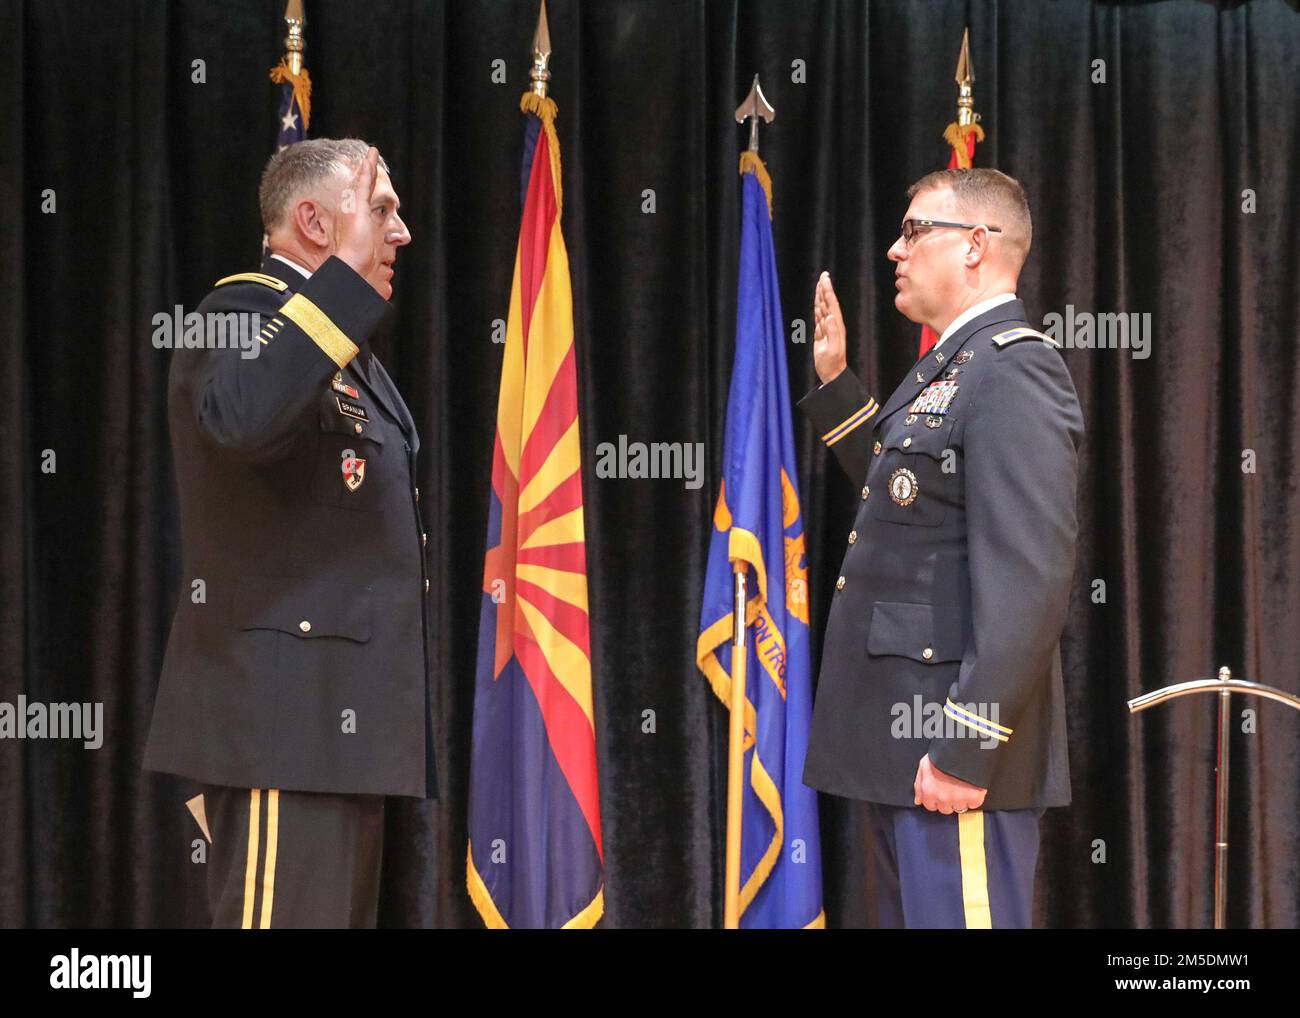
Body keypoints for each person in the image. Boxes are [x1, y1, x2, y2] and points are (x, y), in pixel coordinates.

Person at [144, 138, 435, 928]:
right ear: (315, 222)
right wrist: (340, 281)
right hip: (281, 726)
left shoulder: (341, 348)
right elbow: (241, 420)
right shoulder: (237, 313)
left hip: (335, 730)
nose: (401, 232)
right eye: (380, 211)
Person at [799, 167, 1082, 928]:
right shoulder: (956, 366)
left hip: (950, 751)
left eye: (916, 230)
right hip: (911, 746)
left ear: (976, 247)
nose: (896, 248)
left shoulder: (1013, 369)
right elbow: (908, 494)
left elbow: (1030, 582)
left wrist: (967, 747)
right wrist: (837, 386)